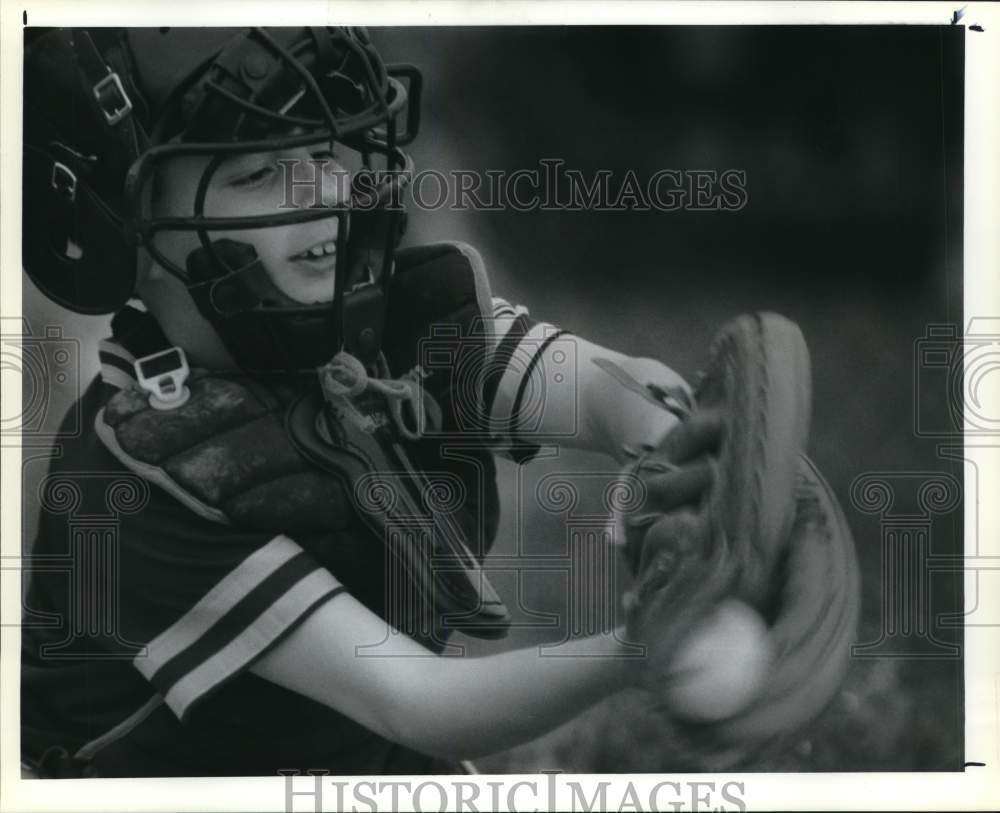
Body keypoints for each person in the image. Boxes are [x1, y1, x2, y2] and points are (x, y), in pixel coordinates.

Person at [20, 26, 714, 777]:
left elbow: (594, 387)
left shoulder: (377, 326)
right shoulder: (132, 475)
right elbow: (420, 704)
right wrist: (643, 646)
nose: (320, 191)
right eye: (257, 174)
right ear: (121, 224)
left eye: (321, 154)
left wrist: (673, 441)